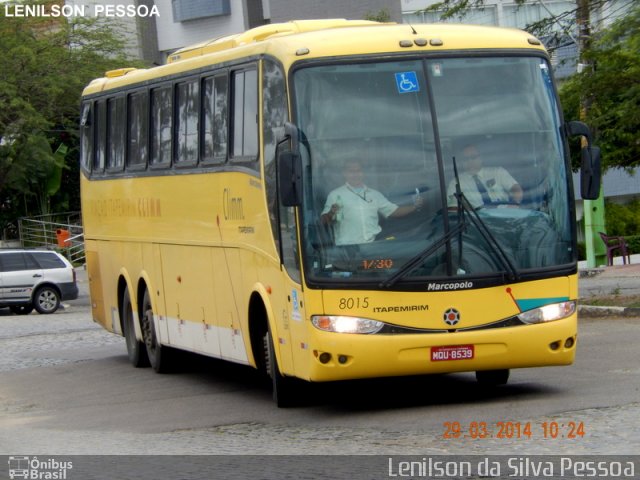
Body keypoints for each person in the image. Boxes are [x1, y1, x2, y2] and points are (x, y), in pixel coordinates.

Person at [321, 159, 423, 245]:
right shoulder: (335, 195)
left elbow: (394, 211)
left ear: (363, 172)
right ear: (345, 173)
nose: (355, 174)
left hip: (373, 247)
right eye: (351, 171)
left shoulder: (375, 194)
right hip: (347, 248)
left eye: (358, 171)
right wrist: (332, 212)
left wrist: (414, 206)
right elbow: (323, 221)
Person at [447, 145, 523, 209]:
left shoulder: (498, 172)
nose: (470, 161)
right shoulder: (456, 182)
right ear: (461, 162)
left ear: (481, 158)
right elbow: (453, 207)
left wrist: (515, 204)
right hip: (475, 222)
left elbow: (515, 188)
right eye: (466, 159)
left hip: (505, 216)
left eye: (473, 157)